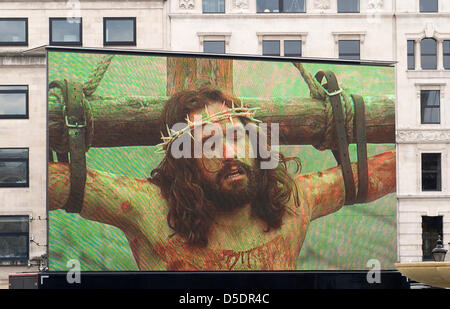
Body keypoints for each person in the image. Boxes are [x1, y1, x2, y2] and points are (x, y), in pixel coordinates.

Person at [49, 87, 396, 271]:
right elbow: (51, 182)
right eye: (209, 144)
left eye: (235, 137)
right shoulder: (149, 210)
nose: (229, 153)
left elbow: (388, 169)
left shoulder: (293, 201)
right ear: (185, 160)